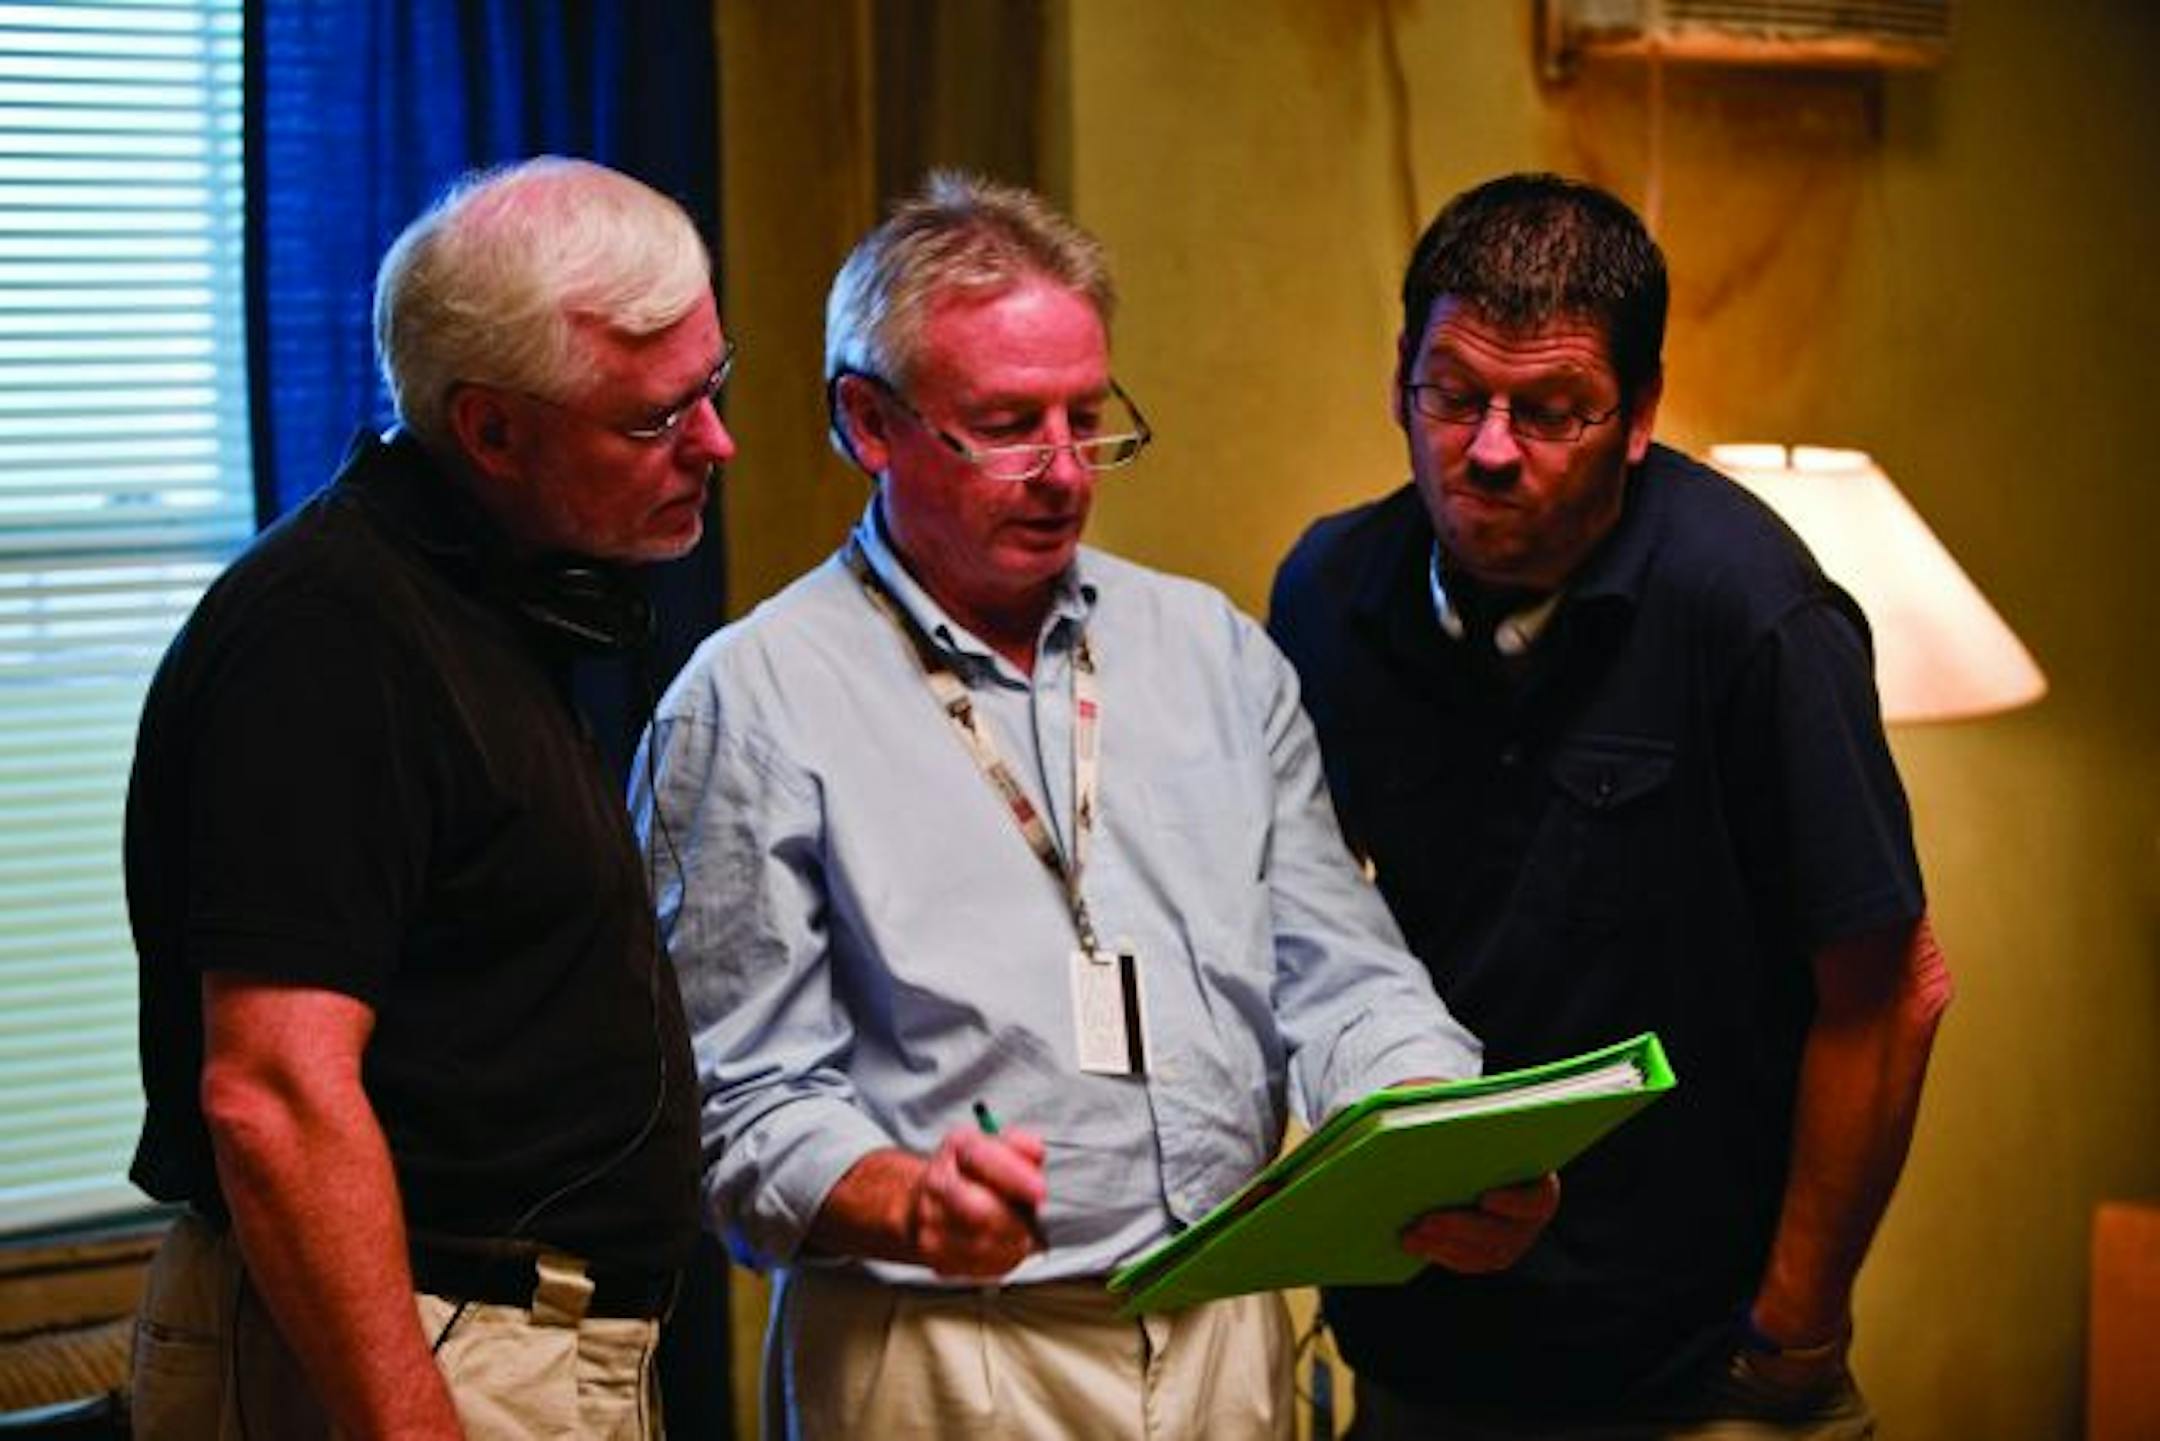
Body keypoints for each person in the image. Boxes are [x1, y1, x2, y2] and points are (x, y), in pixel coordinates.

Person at [634, 172, 1556, 1441]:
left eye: (1090, 416)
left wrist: (1441, 1128)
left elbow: (1344, 975)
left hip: (1225, 1325)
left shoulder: (1211, 653)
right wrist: (902, 1196)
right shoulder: (752, 700)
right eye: (1010, 424)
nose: (1067, 473)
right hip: (944, 1347)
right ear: (868, 422)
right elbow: (734, 1103)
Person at [1268, 172, 1953, 1438]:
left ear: (1638, 416)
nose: (1487, 449)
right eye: (1453, 394)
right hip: (1417, 1344)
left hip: (1690, 1368)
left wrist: (1794, 1333)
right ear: (1400, 386)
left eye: (1552, 411)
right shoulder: (1327, 591)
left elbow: (1888, 985)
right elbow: (1307, 932)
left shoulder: (1752, 612)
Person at [124, 156, 734, 1439]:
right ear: (491, 430)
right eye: (654, 421)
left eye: (711, 393)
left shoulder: (488, 603)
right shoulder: (330, 635)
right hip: (428, 1350)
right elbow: (273, 1095)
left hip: (524, 1344)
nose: (714, 446)